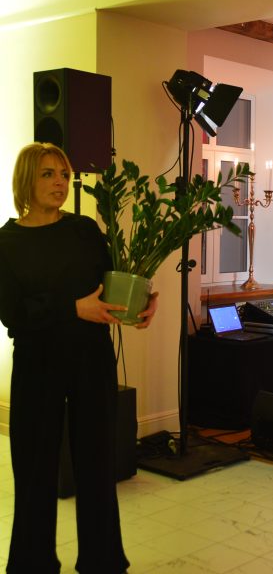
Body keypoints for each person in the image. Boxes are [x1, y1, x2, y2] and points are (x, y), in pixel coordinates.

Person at [0, 142, 158, 573]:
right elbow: (12, 312)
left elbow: (113, 283)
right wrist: (73, 308)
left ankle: (101, 561)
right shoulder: (6, 243)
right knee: (34, 471)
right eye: (48, 174)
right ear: (26, 180)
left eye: (64, 175)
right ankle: (31, 563)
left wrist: (144, 301)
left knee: (97, 466)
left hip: (91, 360)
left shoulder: (86, 230)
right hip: (37, 366)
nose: (60, 183)